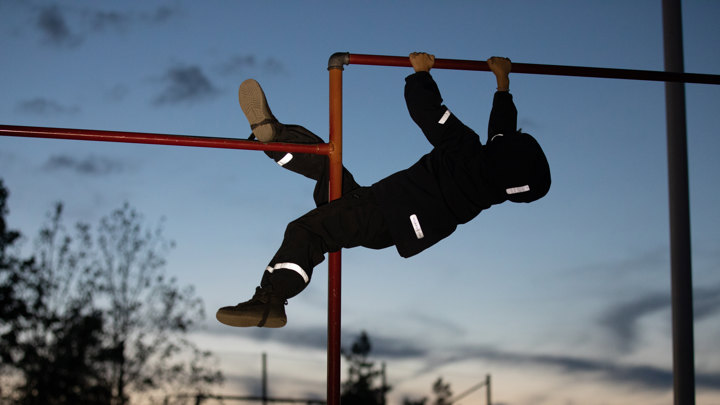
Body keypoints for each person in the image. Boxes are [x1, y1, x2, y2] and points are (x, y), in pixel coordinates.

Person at [216, 52, 551, 328]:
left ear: (499, 148)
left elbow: (427, 111)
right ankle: (276, 140)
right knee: (330, 169)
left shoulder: (463, 147)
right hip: (392, 229)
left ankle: (272, 300)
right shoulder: (491, 190)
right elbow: (502, 139)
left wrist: (421, 73)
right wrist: (502, 84)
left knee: (308, 230)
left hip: (383, 209)